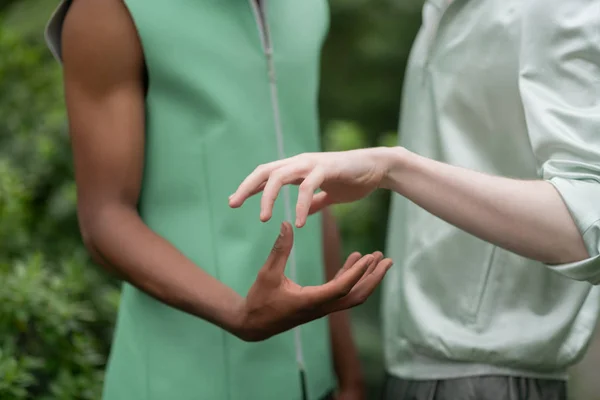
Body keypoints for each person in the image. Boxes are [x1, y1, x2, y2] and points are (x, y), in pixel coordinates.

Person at [229, 0, 600, 398]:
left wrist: (394, 169)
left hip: (492, 378)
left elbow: (586, 226)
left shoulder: (560, 8)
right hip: (416, 369)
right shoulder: (441, 11)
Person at [44, 0, 393, 399]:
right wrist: (239, 314)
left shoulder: (307, 6)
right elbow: (105, 217)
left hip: (313, 385)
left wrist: (348, 378)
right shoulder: (107, 9)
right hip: (177, 382)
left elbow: (311, 192)